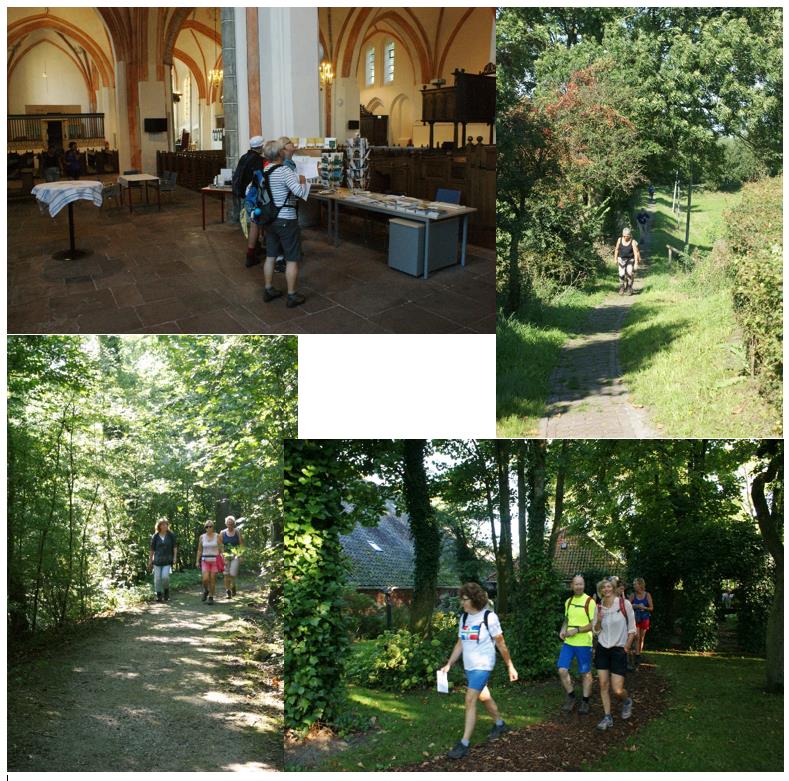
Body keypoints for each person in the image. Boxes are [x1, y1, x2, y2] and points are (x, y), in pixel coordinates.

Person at [439, 582, 517, 760]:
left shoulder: (489, 617)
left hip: (484, 664)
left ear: (474, 599)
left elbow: (501, 644)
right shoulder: (464, 618)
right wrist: (449, 663)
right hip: (470, 666)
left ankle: (464, 744)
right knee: (484, 696)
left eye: (464, 600)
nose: (462, 603)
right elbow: (460, 643)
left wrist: (510, 665)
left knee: (470, 699)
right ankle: (500, 724)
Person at [593, 578, 636, 730]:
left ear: (614, 588)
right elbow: (596, 631)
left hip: (619, 650)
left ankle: (626, 701)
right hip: (603, 649)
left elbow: (632, 629)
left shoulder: (625, 604)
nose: (606, 589)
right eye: (603, 587)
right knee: (603, 684)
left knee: (617, 689)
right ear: (601, 590)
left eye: (609, 586)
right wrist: (598, 621)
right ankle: (607, 717)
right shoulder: (598, 608)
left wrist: (626, 647)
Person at [557, 574, 596, 715]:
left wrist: (577, 630)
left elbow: (593, 624)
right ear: (571, 586)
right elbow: (567, 619)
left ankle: (585, 701)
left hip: (584, 642)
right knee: (562, 670)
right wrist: (563, 629)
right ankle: (571, 696)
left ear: (584, 585)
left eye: (581, 584)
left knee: (585, 673)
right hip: (569, 642)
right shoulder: (568, 601)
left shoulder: (590, 602)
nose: (579, 586)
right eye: (576, 584)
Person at [233, 135, 266, 267]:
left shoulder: (244, 157)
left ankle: (256, 247)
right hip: (253, 196)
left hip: (244, 195)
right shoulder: (258, 160)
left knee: (251, 222)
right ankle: (251, 254)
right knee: (255, 223)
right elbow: (260, 179)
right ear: (261, 147)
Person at [148, 518, 178, 603]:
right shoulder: (155, 536)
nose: (165, 526)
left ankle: (166, 591)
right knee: (157, 578)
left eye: (166, 524)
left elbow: (175, 547)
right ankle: (158, 594)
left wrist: (175, 557)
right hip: (157, 560)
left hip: (167, 560)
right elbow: (152, 549)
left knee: (165, 577)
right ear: (159, 526)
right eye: (163, 524)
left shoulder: (171, 535)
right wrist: (150, 560)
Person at [196, 520, 224, 604]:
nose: (208, 528)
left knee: (212, 579)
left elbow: (221, 548)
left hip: (215, 560)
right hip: (205, 560)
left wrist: (223, 557)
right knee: (205, 579)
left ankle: (211, 596)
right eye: (207, 527)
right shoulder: (202, 537)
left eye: (210, 526)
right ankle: (205, 590)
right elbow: (199, 550)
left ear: (213, 527)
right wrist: (197, 561)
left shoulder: (217, 536)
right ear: (205, 528)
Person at [630, 578, 653, 670]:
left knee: (641, 638)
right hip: (635, 618)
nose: (634, 585)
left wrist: (645, 608)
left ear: (640, 585)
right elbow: (627, 604)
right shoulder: (633, 595)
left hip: (645, 618)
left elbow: (651, 608)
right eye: (633, 584)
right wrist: (636, 606)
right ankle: (637, 655)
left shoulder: (647, 595)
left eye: (635, 584)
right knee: (637, 637)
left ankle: (638, 655)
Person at [221, 515, 244, 598]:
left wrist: (241, 555)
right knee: (226, 574)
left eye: (231, 523)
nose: (230, 524)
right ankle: (228, 591)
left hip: (235, 555)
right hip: (226, 556)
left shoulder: (237, 531)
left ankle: (233, 586)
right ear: (226, 523)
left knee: (232, 574)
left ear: (234, 523)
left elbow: (241, 544)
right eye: (228, 523)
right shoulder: (222, 533)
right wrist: (222, 557)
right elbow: (221, 546)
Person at [614, 227, 640, 296]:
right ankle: (622, 287)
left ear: (630, 235)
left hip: (630, 259)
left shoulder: (633, 241)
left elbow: (635, 252)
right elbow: (616, 249)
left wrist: (636, 263)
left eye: (628, 236)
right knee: (621, 274)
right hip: (621, 259)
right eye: (625, 236)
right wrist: (615, 259)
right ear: (623, 235)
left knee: (629, 273)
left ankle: (629, 287)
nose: (626, 237)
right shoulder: (619, 240)